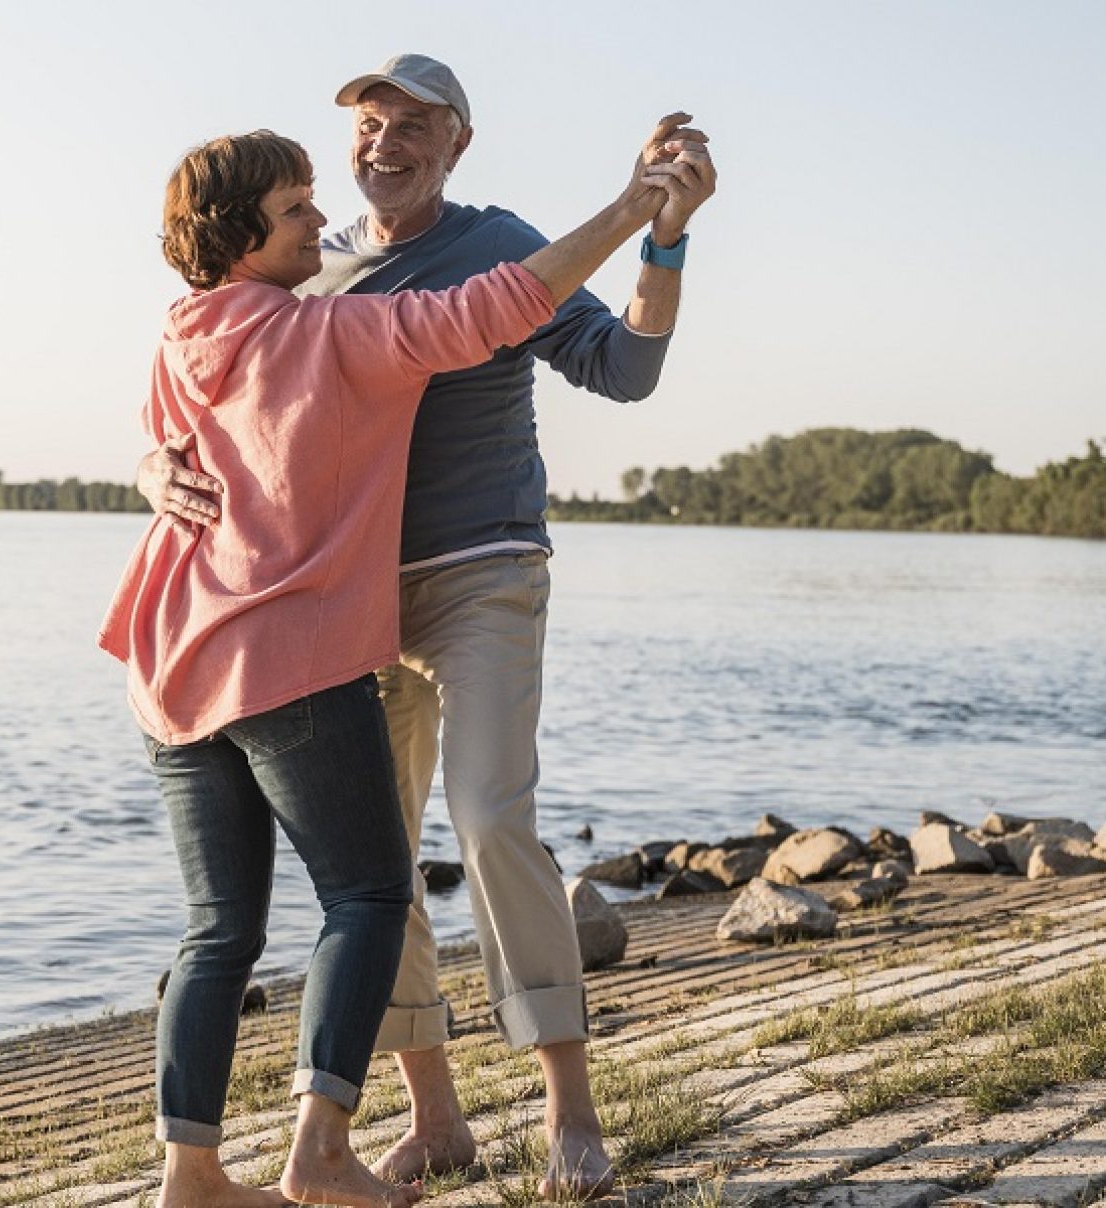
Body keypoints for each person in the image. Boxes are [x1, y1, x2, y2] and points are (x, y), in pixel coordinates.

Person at [137, 55, 718, 1200]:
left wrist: (661, 234)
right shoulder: (303, 264)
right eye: (366, 121)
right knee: (378, 860)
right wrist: (153, 466)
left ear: (458, 144)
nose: (383, 141)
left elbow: (628, 368)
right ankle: (434, 1116)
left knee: (493, 815)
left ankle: (569, 1107)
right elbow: (204, 399)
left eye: (413, 123)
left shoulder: (503, 243)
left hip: (483, 568)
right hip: (339, 603)